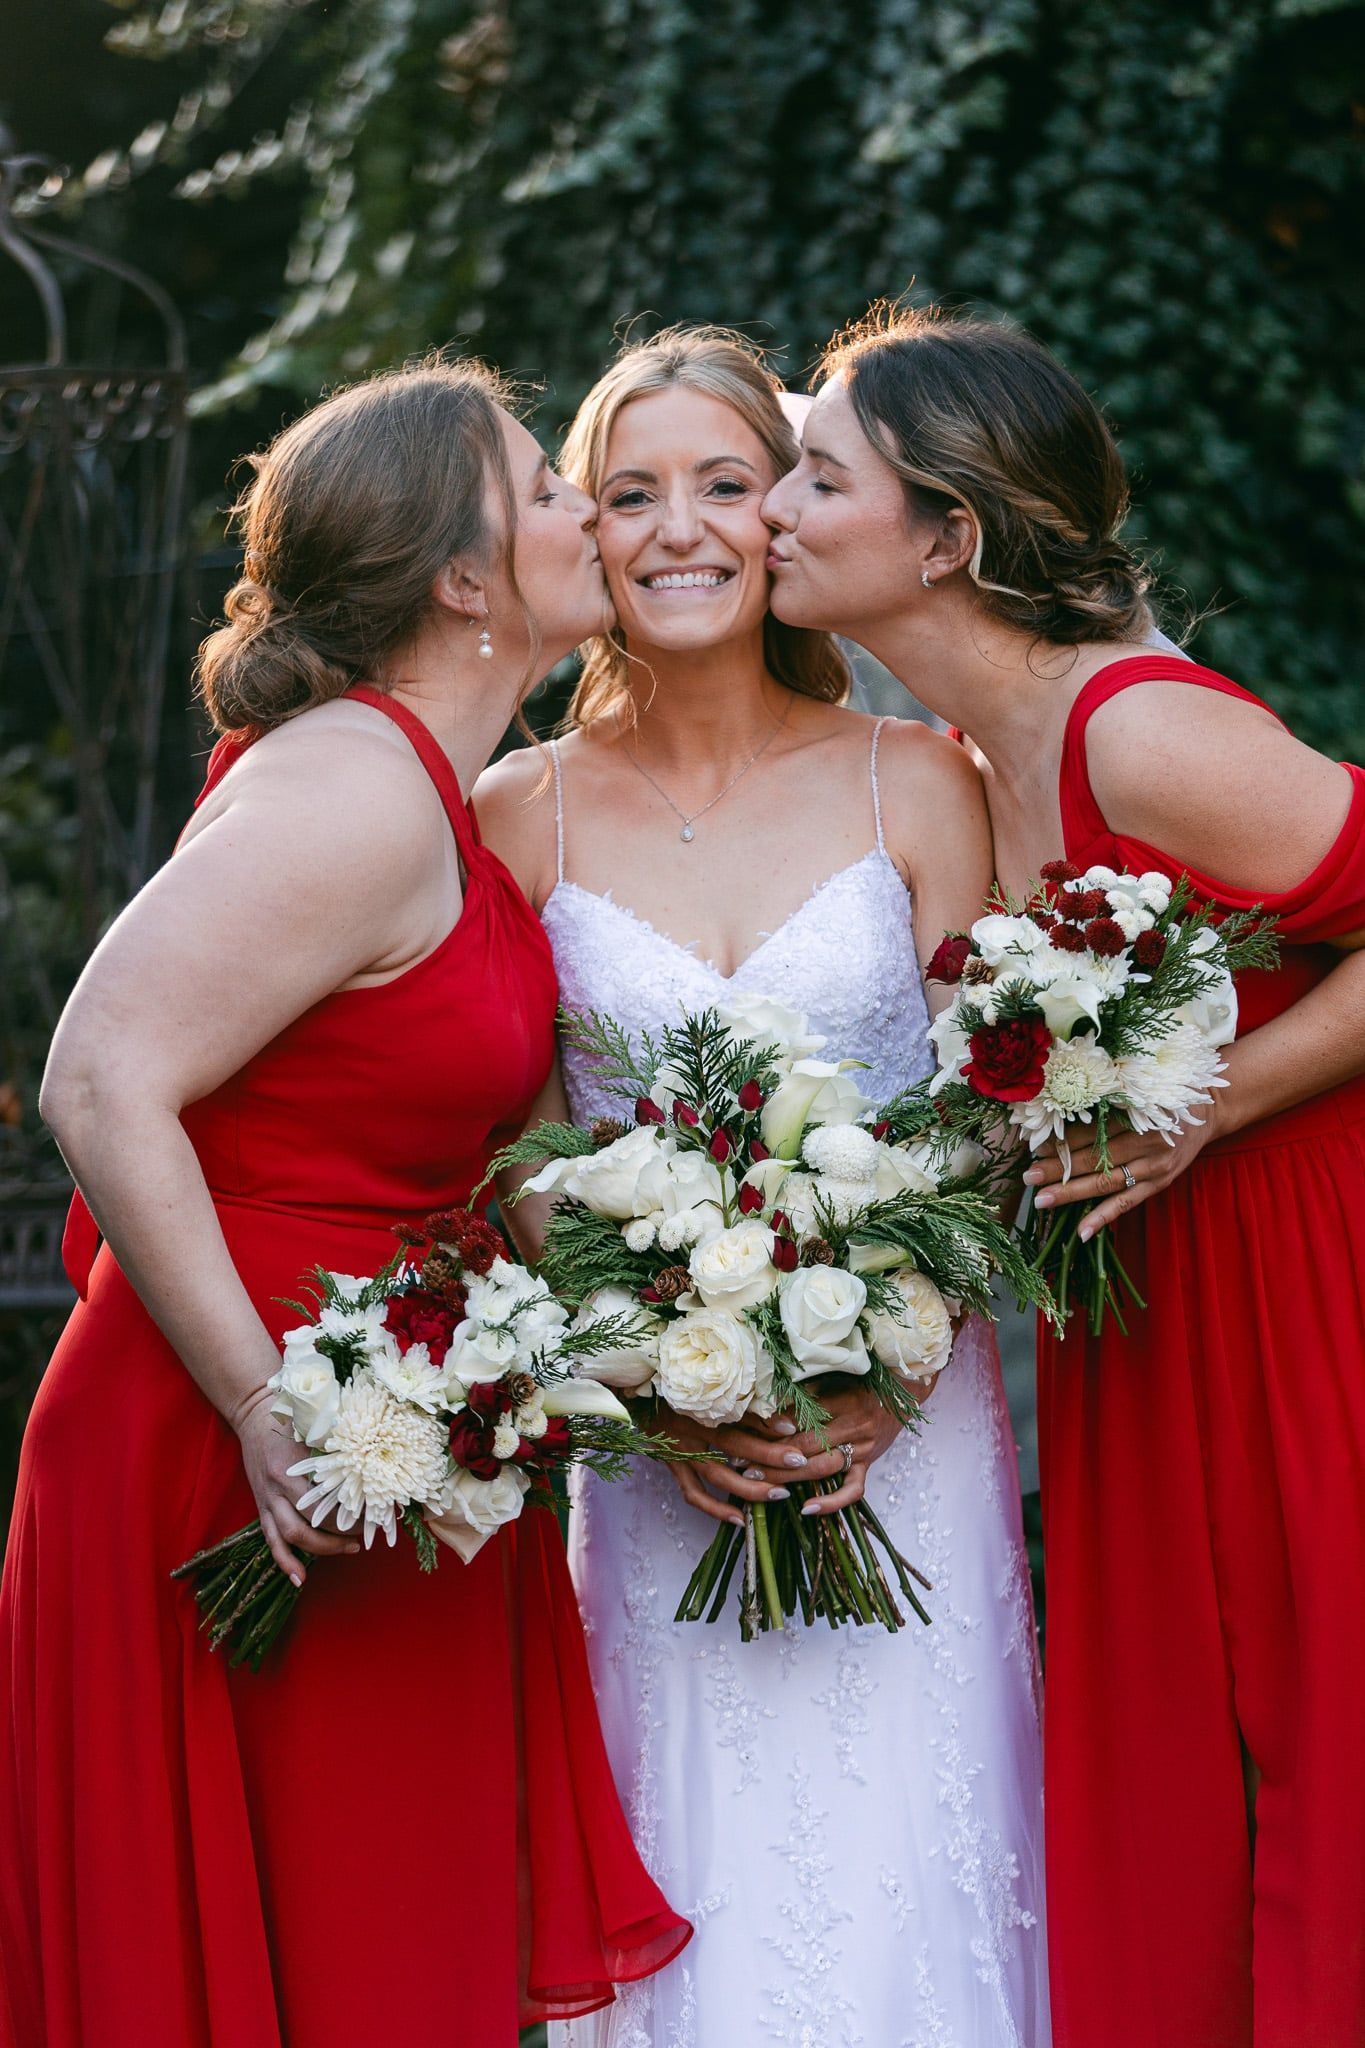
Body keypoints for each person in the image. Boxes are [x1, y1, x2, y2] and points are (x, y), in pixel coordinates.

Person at [0, 357, 689, 2048]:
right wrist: (263, 1403)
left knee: (373, 1944)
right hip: (248, 1456)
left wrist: (686, 1355)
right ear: (461, 578)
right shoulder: (353, 784)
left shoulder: (435, 792)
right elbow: (97, 1079)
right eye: (545, 487)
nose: (583, 511)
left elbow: (490, 1149)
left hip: (400, 1423)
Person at [761, 301, 1365, 2048]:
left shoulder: (1137, 734)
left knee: (1323, 1730)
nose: (771, 514)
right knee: (1179, 1751)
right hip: (1146, 1311)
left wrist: (1216, 1098)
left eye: (814, 477)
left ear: (944, 533)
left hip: (1301, 1275)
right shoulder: (966, 765)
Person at [476, 326, 1049, 2048]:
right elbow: (507, 1160)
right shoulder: (518, 817)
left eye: (727, 484)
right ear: (582, 530)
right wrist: (652, 1381)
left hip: (912, 1443)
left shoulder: (921, 779)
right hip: (666, 1471)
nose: (681, 529)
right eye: (630, 492)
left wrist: (891, 1355)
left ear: (789, 519)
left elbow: (1008, 1111)